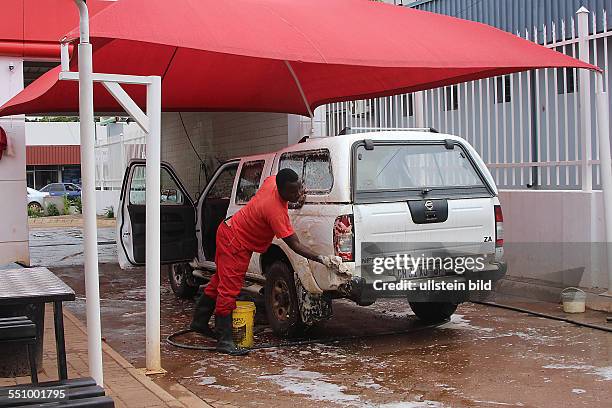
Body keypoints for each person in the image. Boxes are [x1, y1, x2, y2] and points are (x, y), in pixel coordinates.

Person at [190, 168, 333, 355]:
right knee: (230, 288)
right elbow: (295, 245)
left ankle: (199, 323)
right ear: (281, 189)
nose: (298, 194)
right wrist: (321, 258)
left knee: (220, 282)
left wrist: (297, 194)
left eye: (299, 189)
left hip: (229, 231)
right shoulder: (275, 211)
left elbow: (276, 178)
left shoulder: (272, 182)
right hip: (235, 242)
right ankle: (224, 340)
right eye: (292, 192)